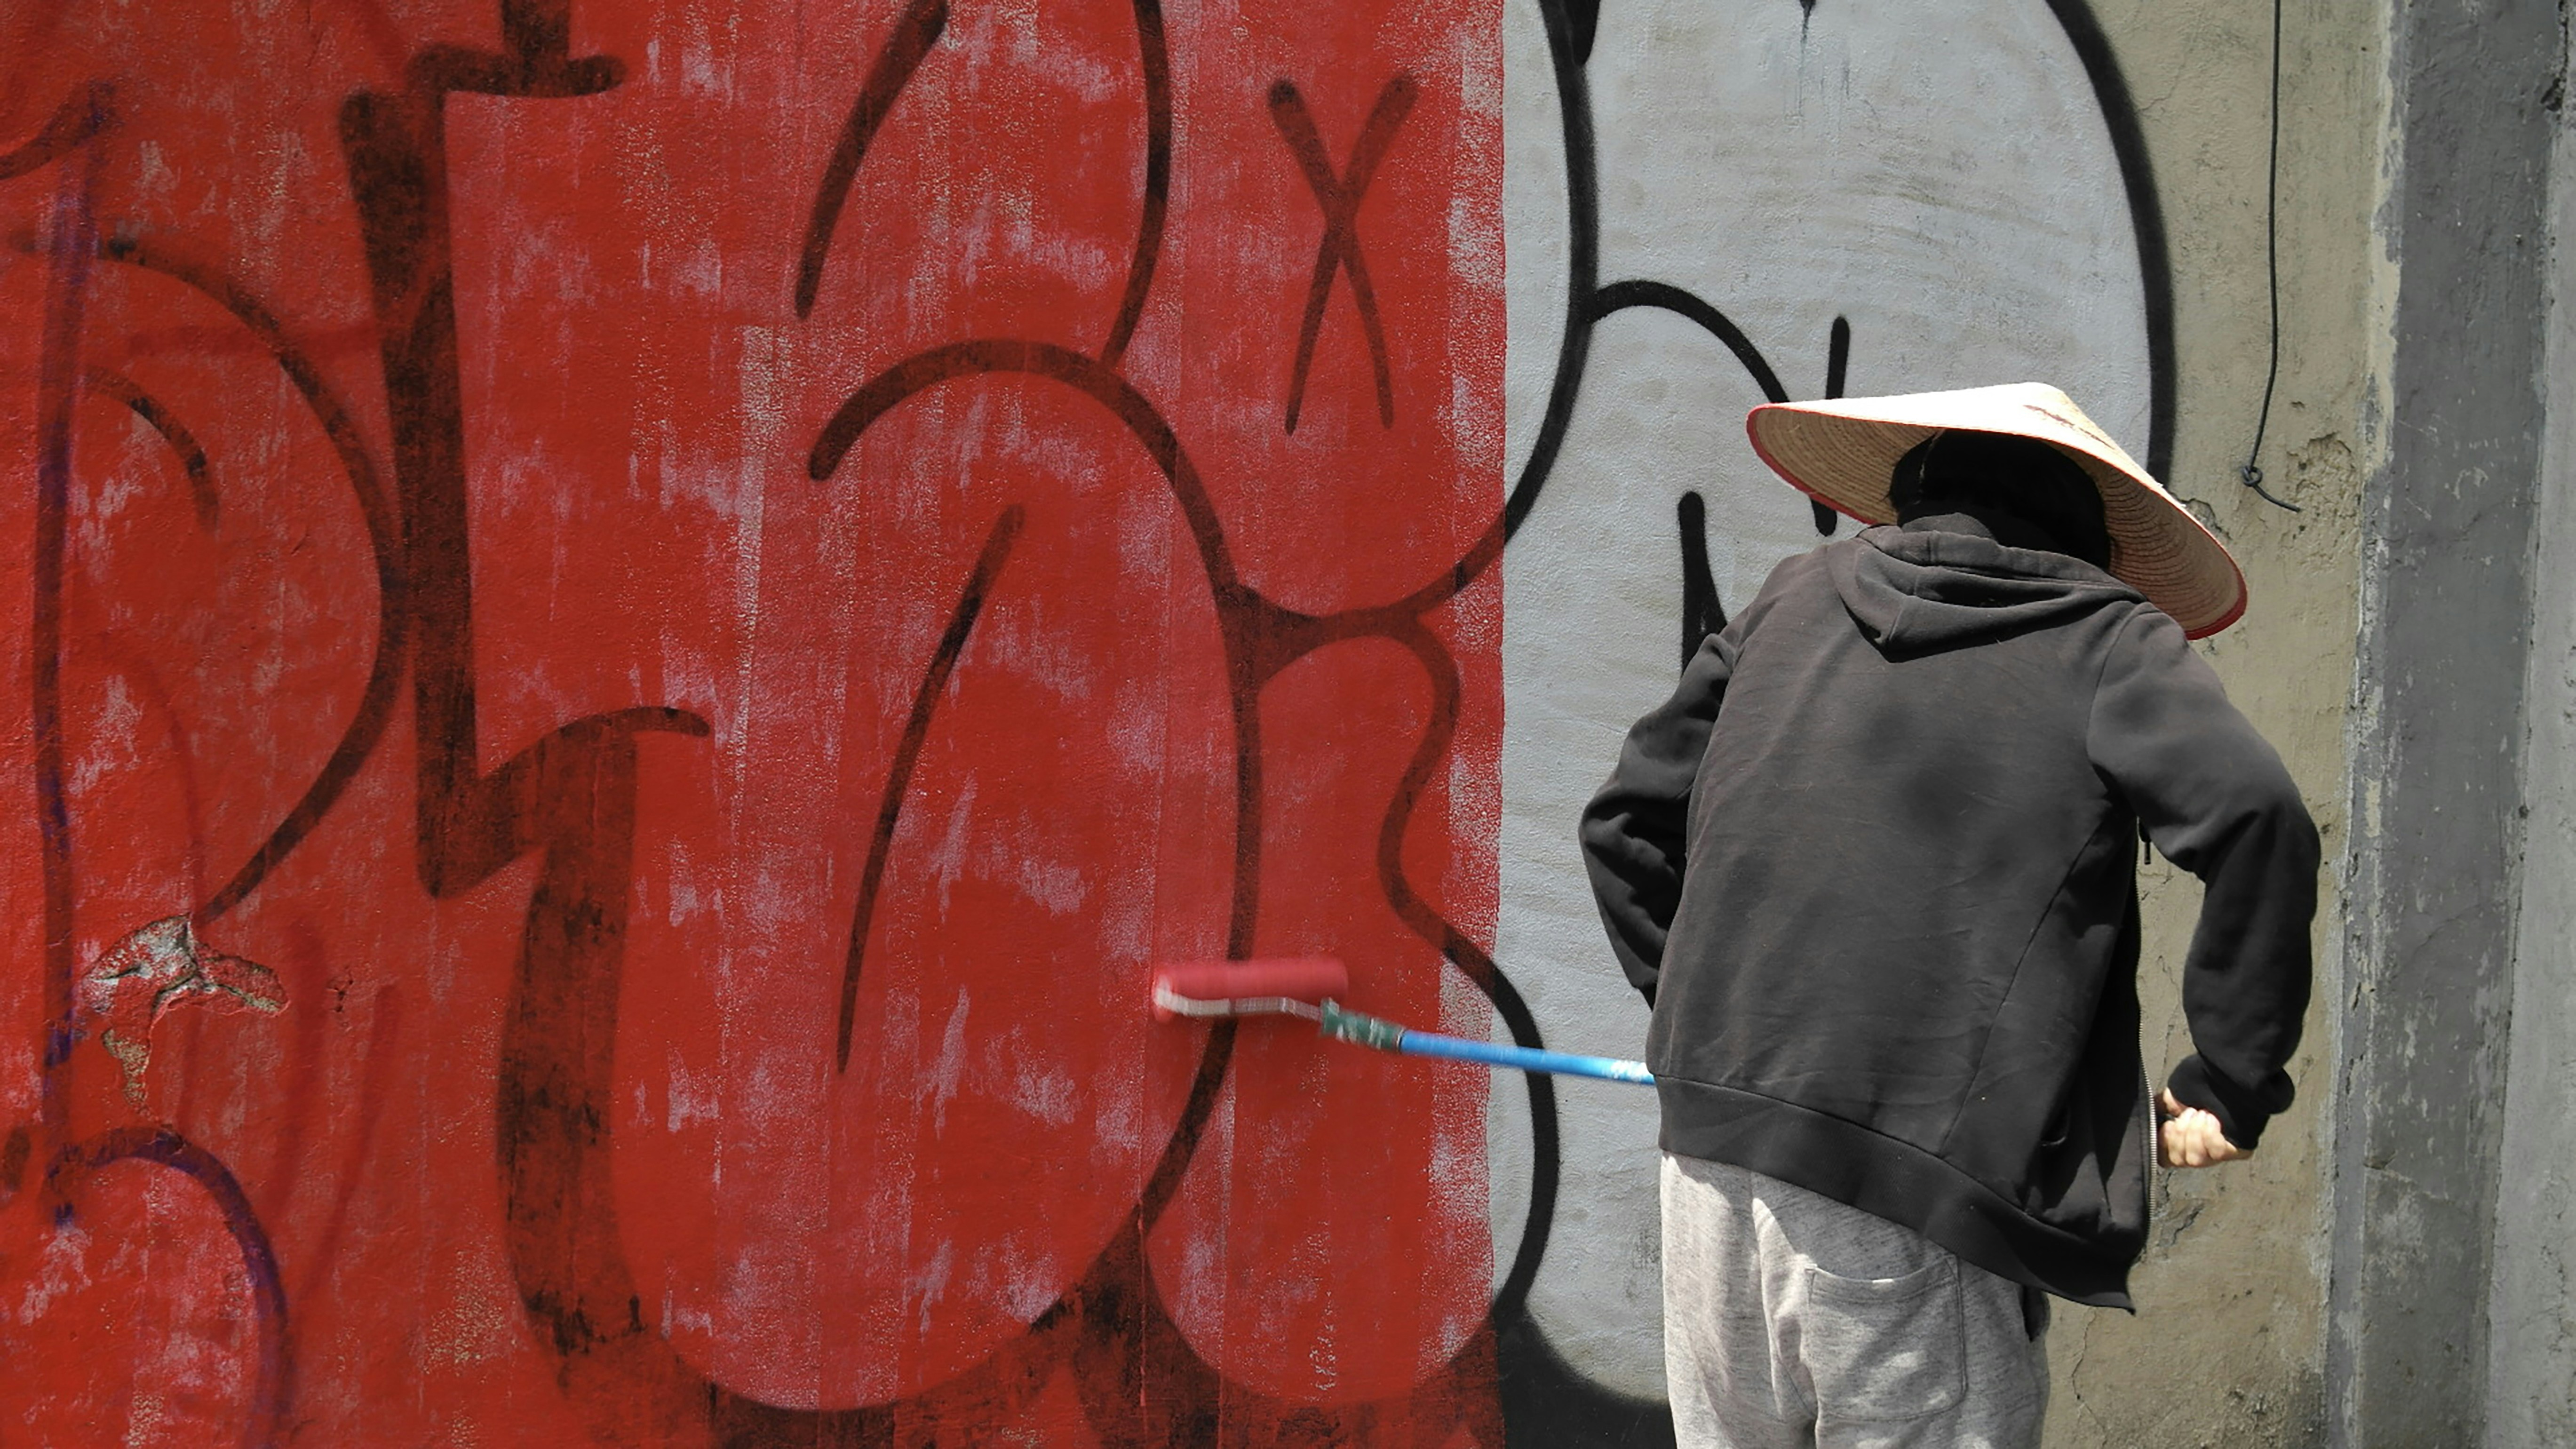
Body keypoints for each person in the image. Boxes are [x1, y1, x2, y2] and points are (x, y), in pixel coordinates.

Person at [1578, 384, 2319, 1448]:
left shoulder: (1791, 598)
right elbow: (2259, 817)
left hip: (1708, 1161)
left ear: (1912, 496)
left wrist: (1712, 1019)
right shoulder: (2104, 639)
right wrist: (2230, 1084)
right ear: (2086, 536)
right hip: (1909, 1192)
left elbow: (1621, 825)